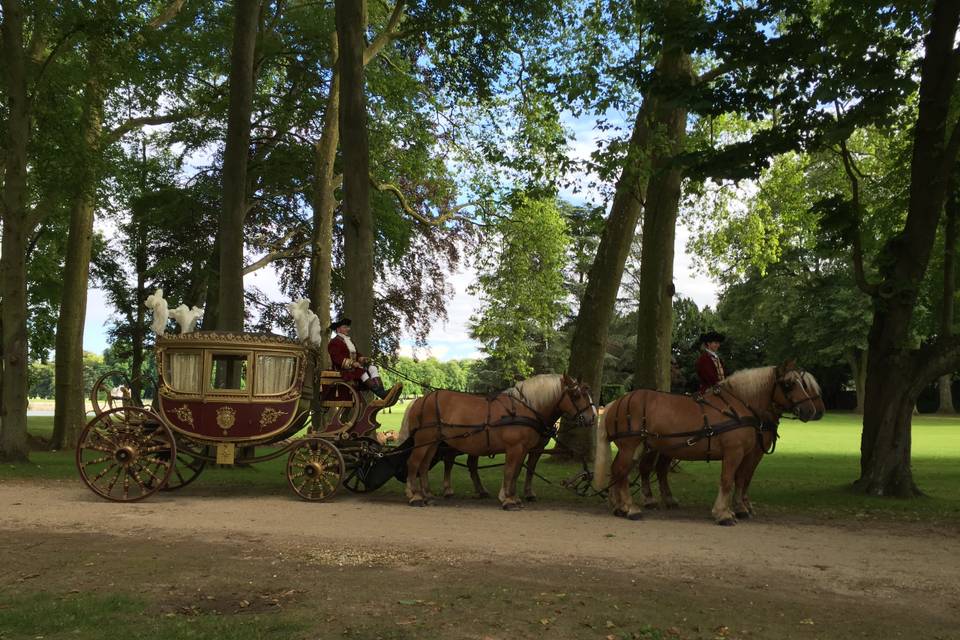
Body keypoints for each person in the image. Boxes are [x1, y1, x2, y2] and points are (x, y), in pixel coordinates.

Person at [326, 317, 392, 399]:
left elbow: (356, 354)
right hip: (342, 369)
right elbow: (337, 358)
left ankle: (382, 392)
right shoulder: (334, 342)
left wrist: (361, 358)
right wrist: (352, 363)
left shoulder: (349, 340)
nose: (348, 329)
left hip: (354, 367)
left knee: (372, 368)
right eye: (345, 327)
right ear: (338, 329)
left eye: (348, 327)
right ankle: (382, 394)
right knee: (362, 372)